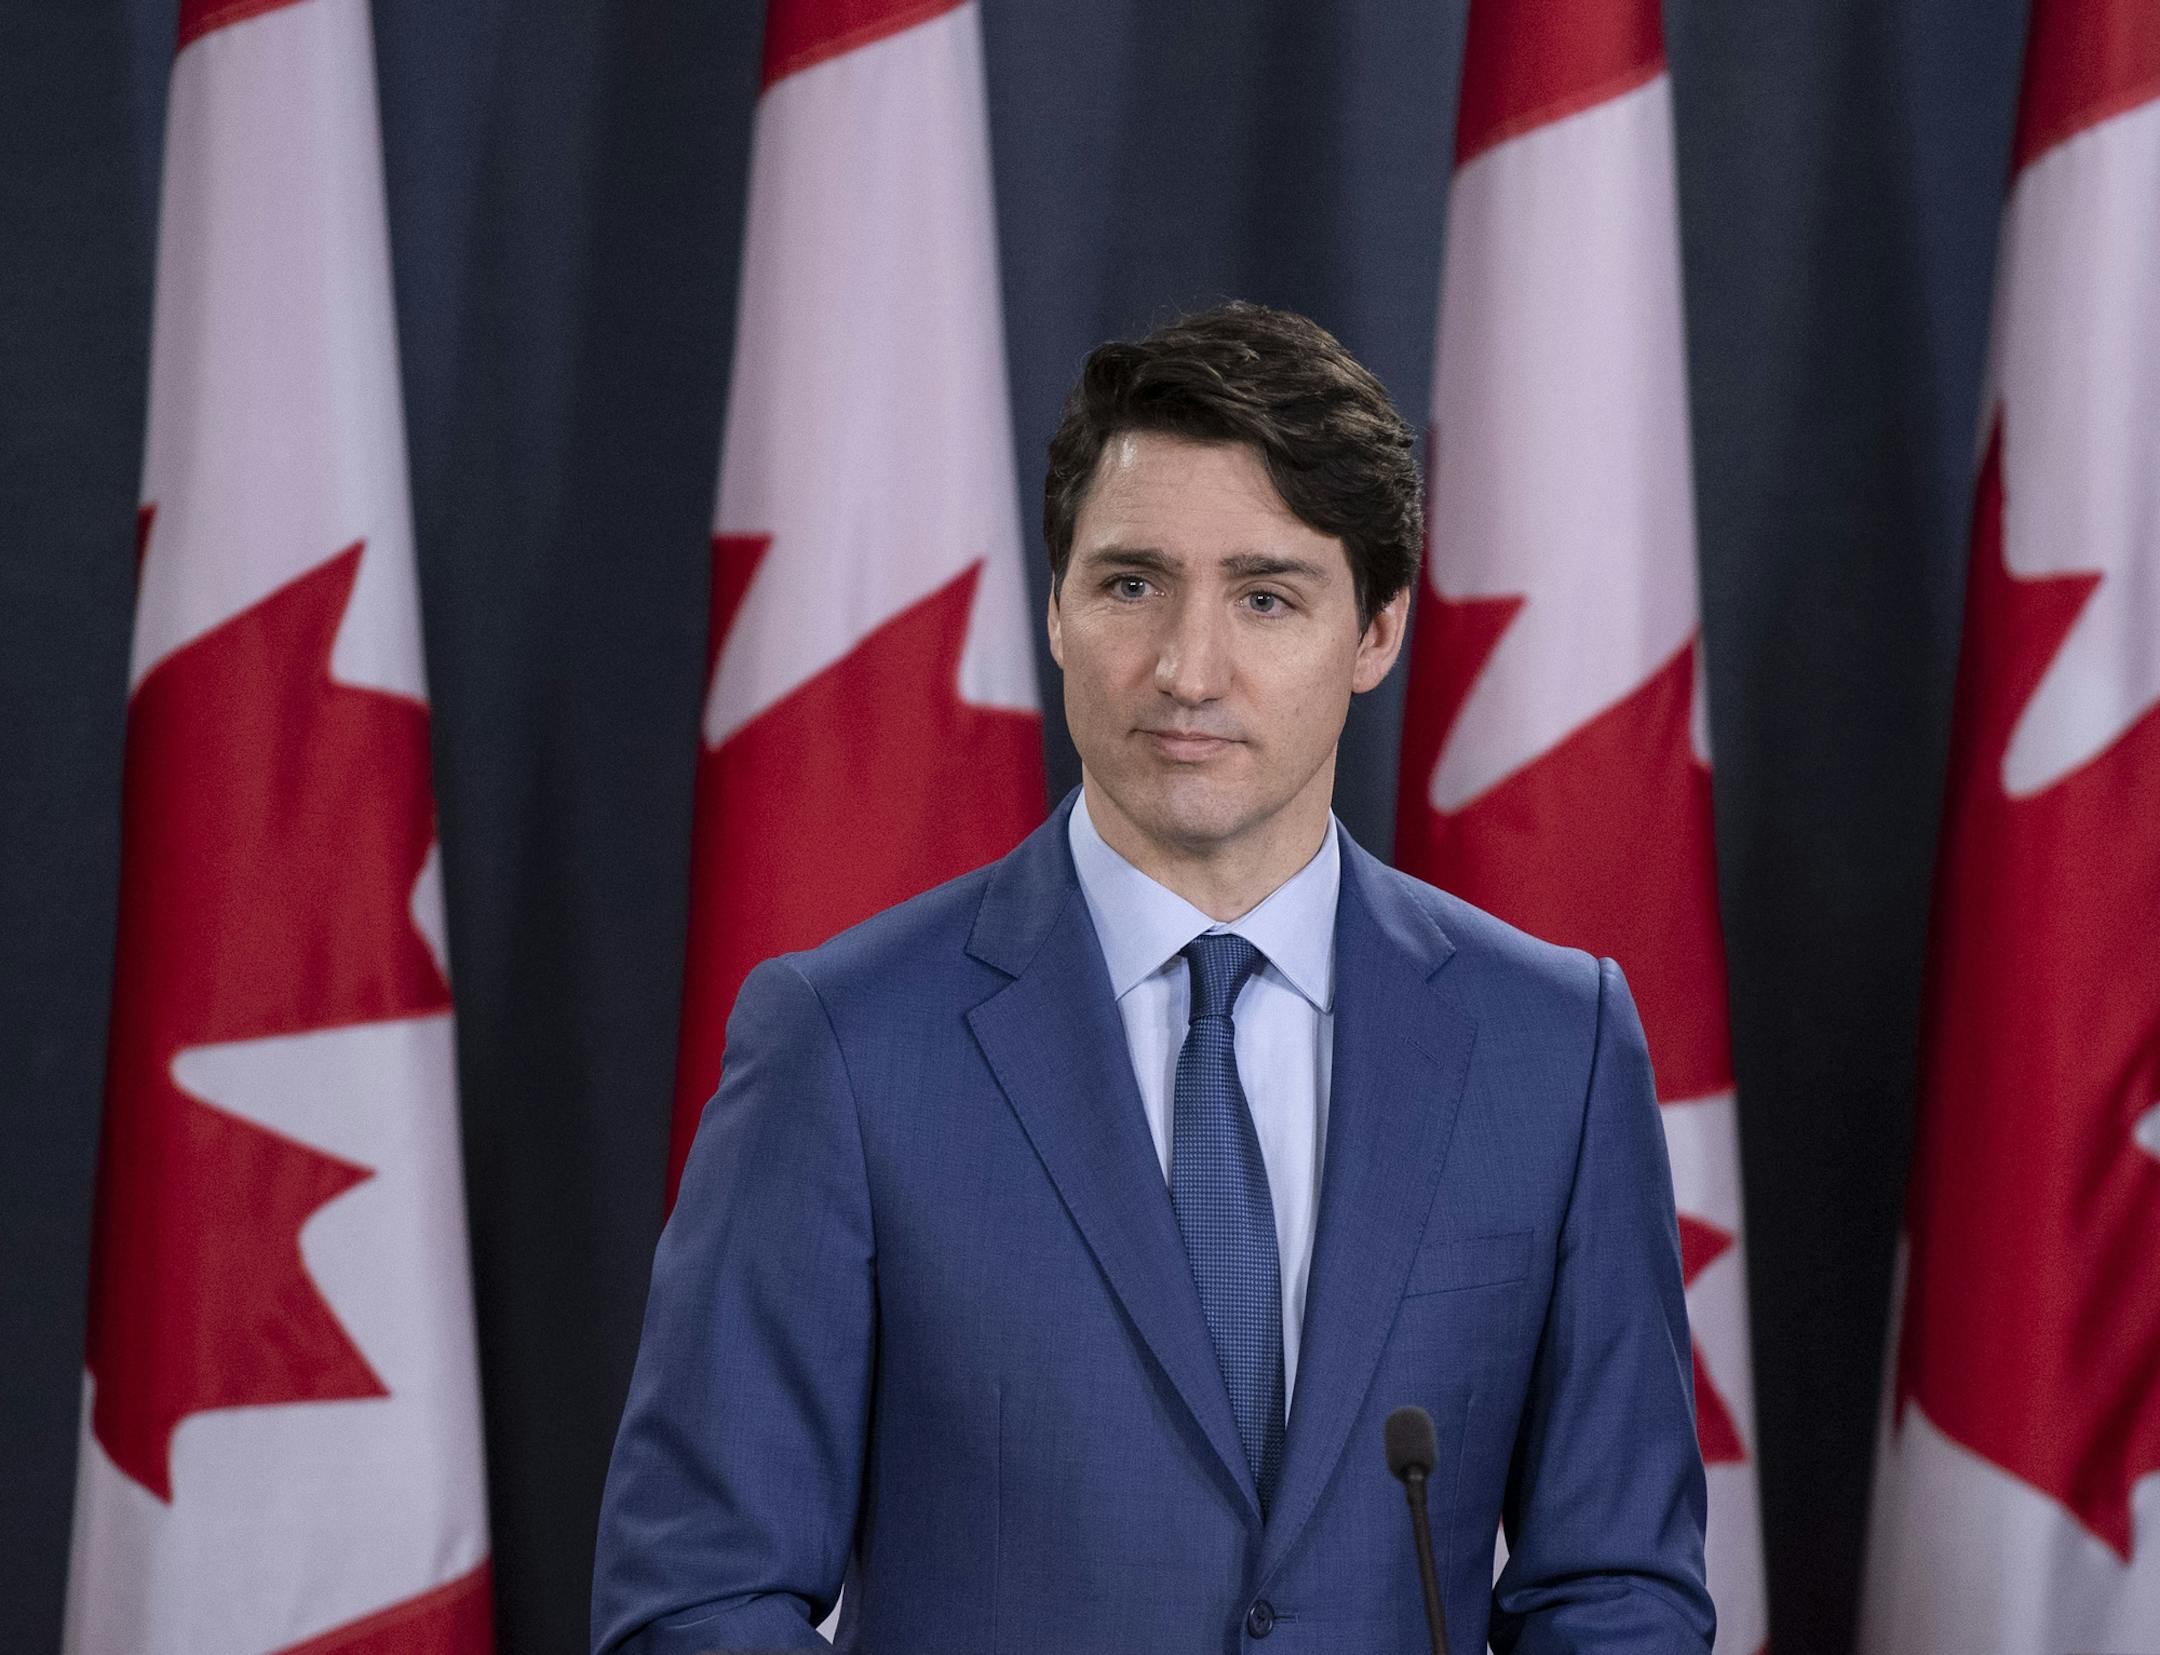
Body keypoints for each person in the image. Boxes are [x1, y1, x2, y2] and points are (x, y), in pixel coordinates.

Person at [591, 302, 1713, 1654]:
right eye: (1130, 584)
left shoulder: (1557, 1048)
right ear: (1055, 611)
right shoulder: (842, 1045)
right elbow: (697, 1604)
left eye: (1264, 596)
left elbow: (1618, 1593)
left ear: (1377, 632)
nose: (1187, 669)